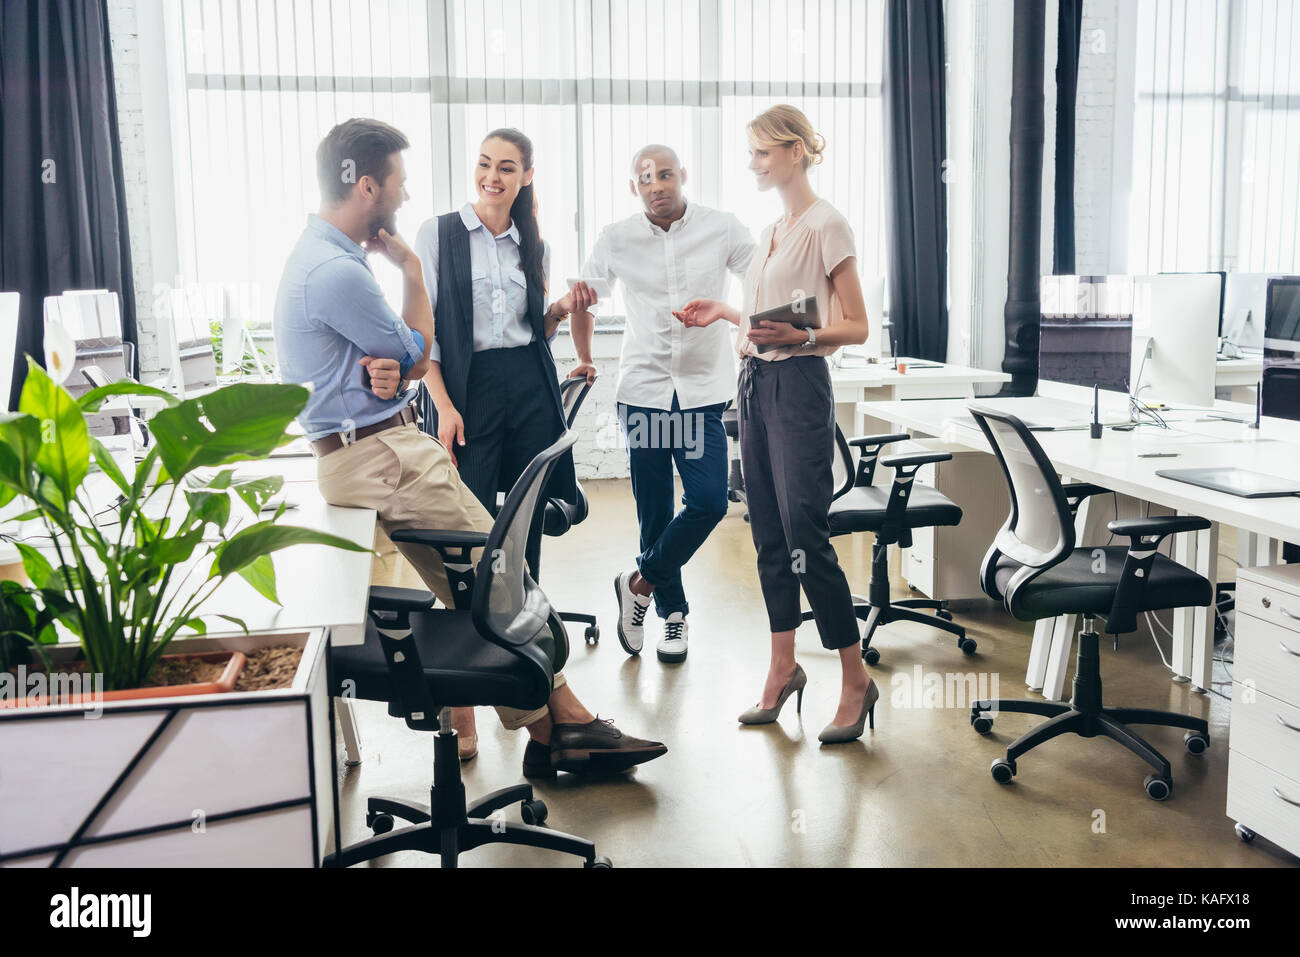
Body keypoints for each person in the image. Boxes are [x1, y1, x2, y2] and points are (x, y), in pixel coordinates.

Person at [274, 117, 666, 777]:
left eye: (505, 166)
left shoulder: (324, 258)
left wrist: (388, 367)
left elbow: (393, 356)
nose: (402, 197)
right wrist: (407, 275)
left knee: (484, 579)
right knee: (498, 575)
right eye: (396, 184)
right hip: (384, 456)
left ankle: (550, 730)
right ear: (366, 185)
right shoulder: (345, 270)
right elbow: (416, 347)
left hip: (382, 443)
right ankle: (565, 723)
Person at [675, 105, 875, 744]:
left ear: (794, 151)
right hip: (756, 385)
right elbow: (769, 324)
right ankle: (783, 669)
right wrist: (730, 313)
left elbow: (856, 324)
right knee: (766, 534)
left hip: (799, 388)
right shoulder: (771, 230)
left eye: (762, 152)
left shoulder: (827, 225)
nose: (754, 164)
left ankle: (855, 679)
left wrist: (806, 334)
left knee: (805, 538)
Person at [412, 128, 596, 759]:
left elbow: (532, 328)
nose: (493, 176)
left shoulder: (530, 239)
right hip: (465, 390)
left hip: (527, 384)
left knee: (521, 534)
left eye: (507, 167)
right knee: (465, 540)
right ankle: (460, 707)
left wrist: (561, 308)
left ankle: (525, 685)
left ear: (526, 175)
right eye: (485, 164)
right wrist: (443, 406)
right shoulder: (437, 235)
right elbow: (424, 332)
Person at [571, 145, 755, 663]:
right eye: (645, 177)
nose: (656, 184)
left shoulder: (722, 228)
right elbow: (583, 297)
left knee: (708, 503)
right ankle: (675, 618)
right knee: (655, 513)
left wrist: (736, 318)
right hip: (646, 395)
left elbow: (763, 279)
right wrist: (584, 356)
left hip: (699, 396)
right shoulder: (617, 237)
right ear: (635, 186)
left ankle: (637, 584)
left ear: (683, 176)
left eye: (665, 174)